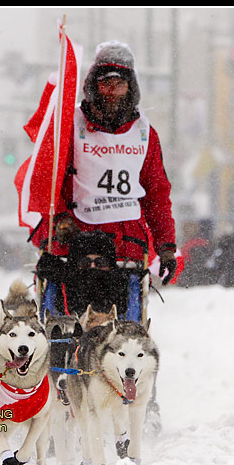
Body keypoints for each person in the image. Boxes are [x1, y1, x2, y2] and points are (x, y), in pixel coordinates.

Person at [30, 41, 177, 318]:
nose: (112, 91)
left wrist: (166, 246)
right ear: (93, 85)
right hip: (71, 243)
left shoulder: (146, 133)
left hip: (125, 249)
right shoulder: (70, 125)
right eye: (105, 83)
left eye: (118, 84)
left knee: (125, 331)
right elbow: (49, 178)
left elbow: (156, 194)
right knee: (62, 326)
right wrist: (60, 217)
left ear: (130, 87)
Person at [36, 230, 131, 318]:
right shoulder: (66, 278)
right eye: (85, 263)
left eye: (100, 262)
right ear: (76, 265)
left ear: (110, 265)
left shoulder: (119, 282)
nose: (93, 267)